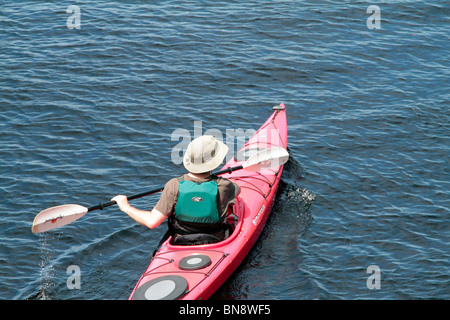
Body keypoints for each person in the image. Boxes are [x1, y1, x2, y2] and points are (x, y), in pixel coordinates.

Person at [112, 135, 240, 245]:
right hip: (216, 241)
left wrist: (125, 206)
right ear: (215, 162)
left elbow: (151, 222)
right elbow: (238, 189)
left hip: (181, 241)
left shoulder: (173, 185)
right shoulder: (224, 185)